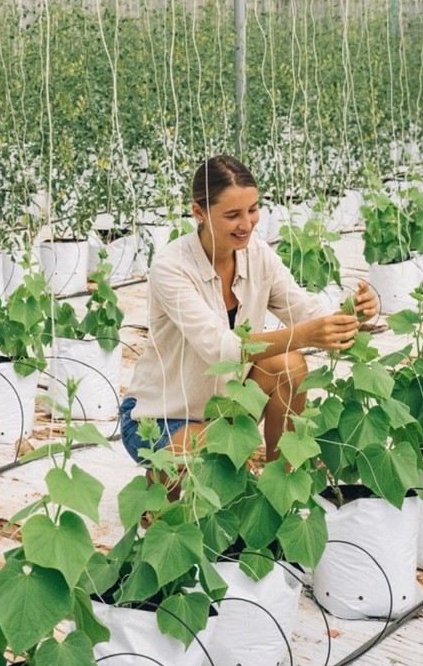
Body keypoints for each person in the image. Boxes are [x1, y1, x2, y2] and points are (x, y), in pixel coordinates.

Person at [120, 155, 377, 474]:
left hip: (225, 408)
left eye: (253, 210)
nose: (247, 224)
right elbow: (221, 349)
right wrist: (307, 335)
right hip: (158, 417)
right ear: (198, 212)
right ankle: (162, 478)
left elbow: (307, 312)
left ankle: (280, 482)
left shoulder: (258, 255)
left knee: (288, 364)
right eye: (232, 215)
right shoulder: (171, 266)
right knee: (192, 498)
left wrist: (353, 314)